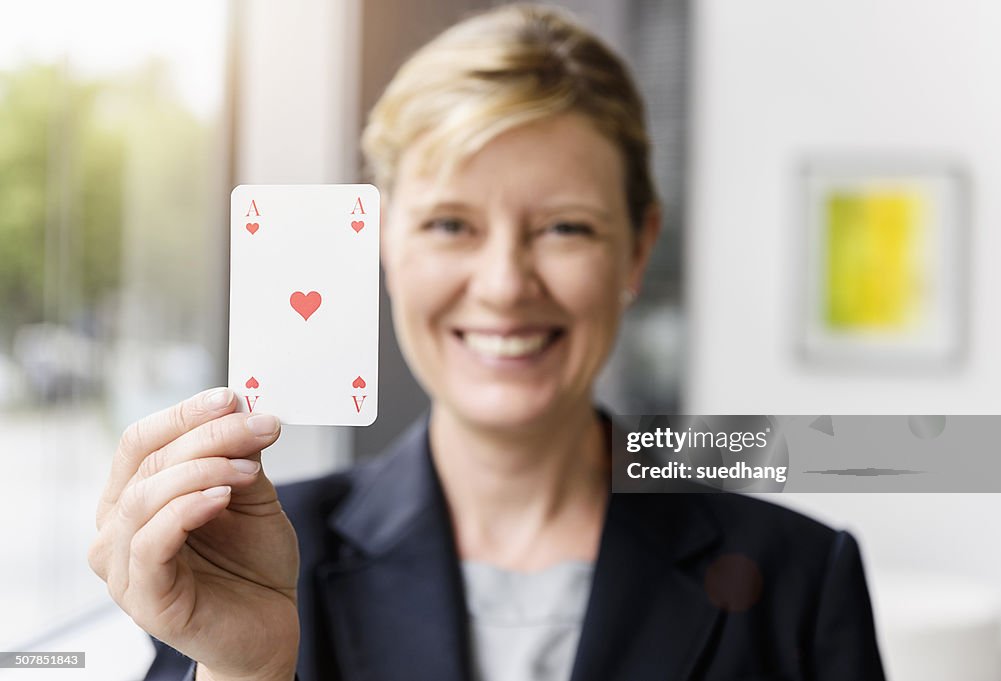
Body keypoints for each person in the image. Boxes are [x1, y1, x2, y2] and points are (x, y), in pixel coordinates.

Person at [89, 5, 887, 681]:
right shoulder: (246, 557)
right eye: (450, 225)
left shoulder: (802, 579)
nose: (505, 283)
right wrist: (246, 673)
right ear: (386, 245)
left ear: (637, 249)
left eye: (565, 227)